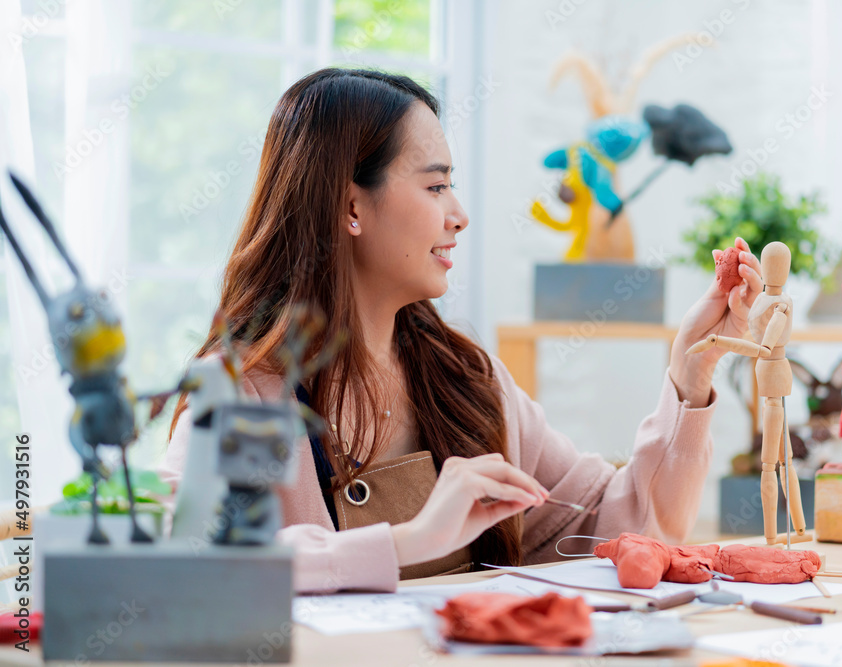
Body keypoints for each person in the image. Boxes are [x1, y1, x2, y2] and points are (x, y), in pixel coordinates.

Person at [159, 68, 764, 594]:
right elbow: (180, 563)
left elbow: (622, 527)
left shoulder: (468, 378)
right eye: (435, 185)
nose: (460, 215)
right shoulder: (241, 392)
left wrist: (692, 371)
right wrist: (408, 541)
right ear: (350, 207)